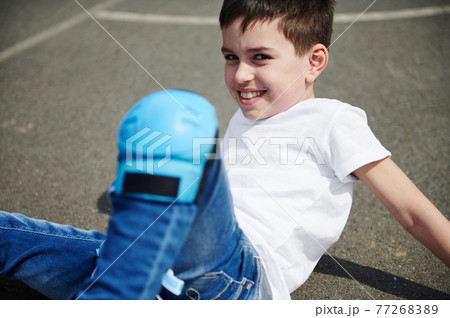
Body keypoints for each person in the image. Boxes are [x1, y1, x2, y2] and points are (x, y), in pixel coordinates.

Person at [0, 0, 449, 300]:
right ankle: (128, 281)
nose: (239, 75)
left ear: (314, 61)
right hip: (159, 259)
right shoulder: (243, 120)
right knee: (18, 236)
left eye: (260, 57)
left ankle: (121, 293)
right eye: (230, 56)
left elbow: (413, 212)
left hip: (236, 275)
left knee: (177, 119)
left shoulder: (334, 121)